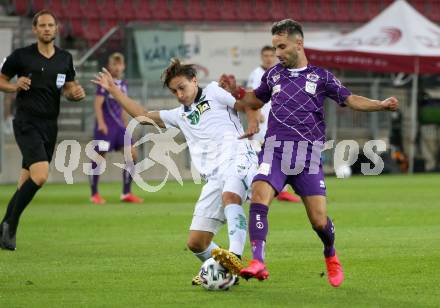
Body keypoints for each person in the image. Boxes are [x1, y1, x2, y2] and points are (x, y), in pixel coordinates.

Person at [218, 19, 399, 287]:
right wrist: (236, 91)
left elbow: (350, 99)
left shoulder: (321, 76)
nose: (277, 53)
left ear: (298, 43)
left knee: (318, 220)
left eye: (281, 46)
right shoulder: (273, 75)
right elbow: (253, 101)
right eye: (274, 47)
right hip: (275, 151)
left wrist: (380, 105)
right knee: (258, 192)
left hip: (307, 156)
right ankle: (258, 261)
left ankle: (331, 254)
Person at [92, 58, 259, 286]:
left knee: (231, 196)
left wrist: (249, 116)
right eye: (174, 91)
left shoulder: (213, 91)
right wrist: (113, 90)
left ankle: (236, 257)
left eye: (182, 87)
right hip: (213, 176)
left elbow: (248, 104)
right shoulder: (178, 115)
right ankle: (226, 270)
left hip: (239, 157)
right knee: (196, 243)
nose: (179, 94)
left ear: (194, 80)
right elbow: (142, 115)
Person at [0, 10, 86, 250]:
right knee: (40, 176)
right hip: (26, 122)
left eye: (51, 25)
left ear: (56, 29)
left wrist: (75, 94)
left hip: (50, 125)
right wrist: (14, 86)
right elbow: (1, 80)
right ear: (35, 30)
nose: (47, 29)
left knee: (25, 181)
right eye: (43, 25)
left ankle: (4, 227)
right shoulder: (21, 56)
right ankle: (11, 225)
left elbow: (68, 88)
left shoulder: (64, 58)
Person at [247, 45, 300, 203]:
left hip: (278, 121)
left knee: (281, 154)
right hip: (261, 122)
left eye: (271, 55)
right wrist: (256, 113)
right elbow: (250, 95)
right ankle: (252, 191)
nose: (268, 58)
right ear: (262, 57)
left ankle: (281, 190)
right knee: (258, 157)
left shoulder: (280, 73)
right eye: (266, 56)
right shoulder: (256, 74)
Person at [90, 52, 143, 204]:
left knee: (132, 154)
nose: (117, 67)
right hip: (106, 125)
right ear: (109, 66)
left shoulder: (123, 84)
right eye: (114, 64)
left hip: (120, 127)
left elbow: (123, 106)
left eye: (119, 64)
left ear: (124, 66)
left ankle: (126, 193)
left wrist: (126, 125)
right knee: (99, 155)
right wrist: (100, 123)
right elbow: (98, 104)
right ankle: (94, 194)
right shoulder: (105, 82)